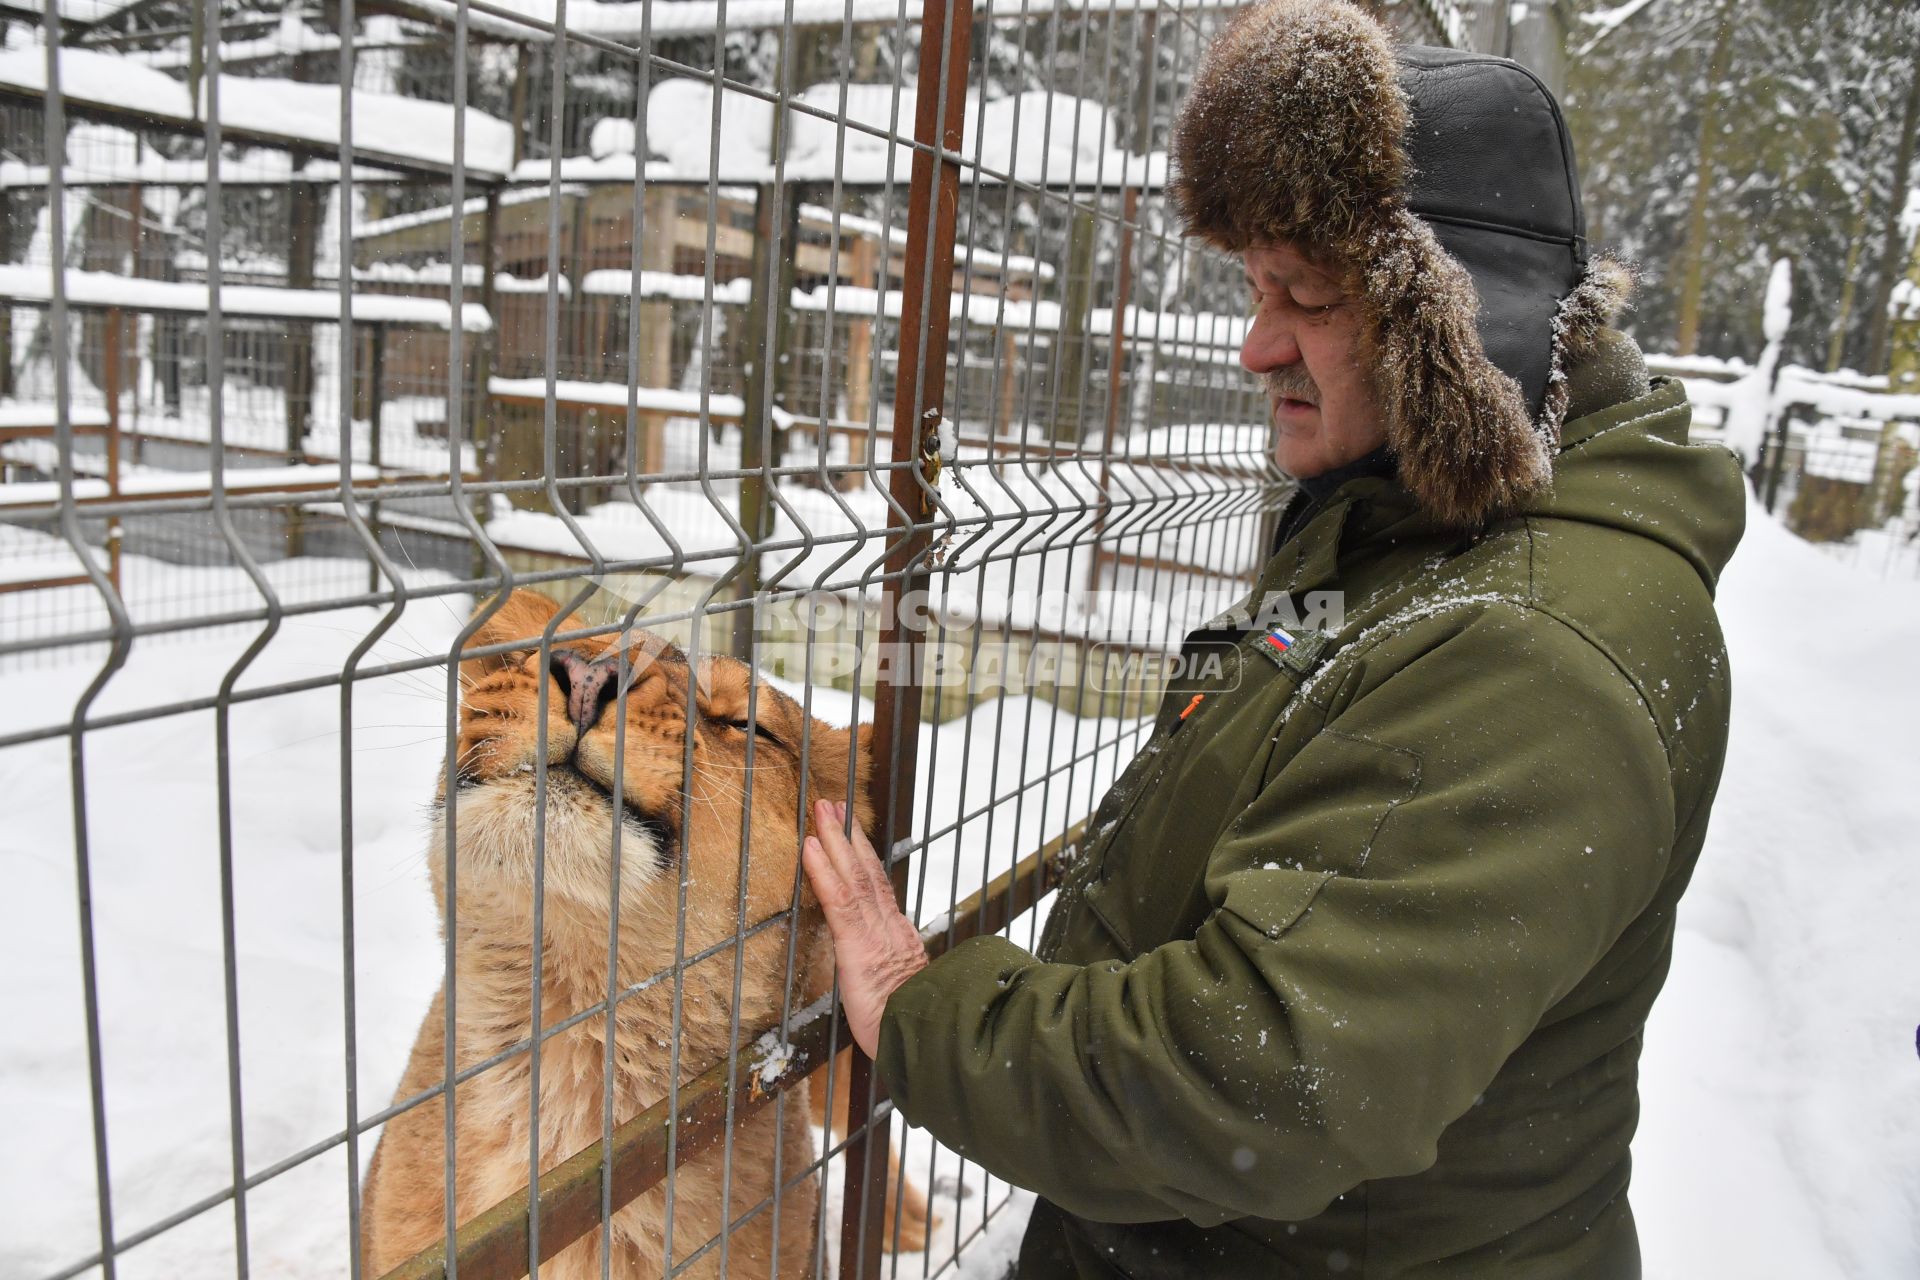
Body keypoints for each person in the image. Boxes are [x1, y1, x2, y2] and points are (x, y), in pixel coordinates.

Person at [800, 1, 1747, 1274]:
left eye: (1302, 295)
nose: (1256, 347)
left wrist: (928, 1018)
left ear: (1460, 330)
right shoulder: (1407, 522)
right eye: (1254, 287)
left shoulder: (1527, 655)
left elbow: (1257, 1078)